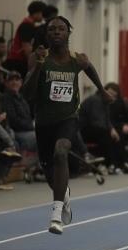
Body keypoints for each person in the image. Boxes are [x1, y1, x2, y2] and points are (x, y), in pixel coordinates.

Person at [23, 16, 107, 234]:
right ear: (46, 34)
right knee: (51, 176)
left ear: (69, 33)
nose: (56, 33)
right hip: (44, 122)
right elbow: (27, 93)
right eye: (52, 29)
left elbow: (89, 68)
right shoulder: (38, 58)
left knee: (61, 152)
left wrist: (102, 90)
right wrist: (38, 67)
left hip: (68, 119)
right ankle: (64, 196)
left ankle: (56, 214)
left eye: (61, 29)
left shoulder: (77, 59)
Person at [6, 0, 47, 76]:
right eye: (43, 13)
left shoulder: (29, 25)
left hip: (19, 61)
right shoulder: (26, 26)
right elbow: (27, 49)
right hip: (18, 62)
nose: (44, 16)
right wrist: (32, 65)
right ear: (37, 13)